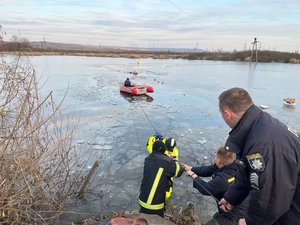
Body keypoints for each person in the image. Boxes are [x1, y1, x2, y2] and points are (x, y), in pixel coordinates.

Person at [217, 87, 300, 225]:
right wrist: (231, 197)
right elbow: (247, 172)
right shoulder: (258, 125)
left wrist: (251, 222)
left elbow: (272, 197)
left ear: (227, 114)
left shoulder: (263, 146)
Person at [183, 146, 247, 225]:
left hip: (235, 216)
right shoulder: (232, 165)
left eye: (215, 156)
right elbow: (208, 170)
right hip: (233, 208)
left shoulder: (223, 179)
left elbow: (206, 189)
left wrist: (193, 176)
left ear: (218, 160)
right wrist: (191, 168)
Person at [138, 140, 184, 217]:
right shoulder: (166, 162)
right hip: (155, 204)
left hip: (142, 200)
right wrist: (174, 161)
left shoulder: (148, 159)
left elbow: (159, 161)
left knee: (144, 219)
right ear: (163, 150)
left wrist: (166, 157)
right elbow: (178, 172)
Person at [146, 131, 179, 202]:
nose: (170, 152)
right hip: (162, 171)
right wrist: (158, 137)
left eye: (171, 150)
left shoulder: (174, 151)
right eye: (168, 149)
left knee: (167, 192)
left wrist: (154, 137)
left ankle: (166, 203)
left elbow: (149, 145)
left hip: (165, 172)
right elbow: (150, 144)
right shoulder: (174, 150)